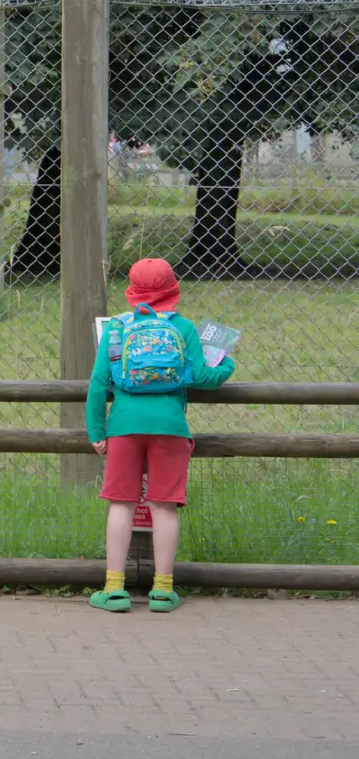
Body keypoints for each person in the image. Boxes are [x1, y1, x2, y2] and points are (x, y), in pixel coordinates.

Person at [87, 257, 235, 613]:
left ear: (132, 292)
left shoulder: (118, 329)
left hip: (122, 427)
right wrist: (226, 363)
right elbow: (202, 377)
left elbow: (98, 385)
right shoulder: (182, 328)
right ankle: (163, 590)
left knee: (121, 503)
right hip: (170, 427)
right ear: (172, 291)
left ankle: (114, 589)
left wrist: (96, 431)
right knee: (164, 507)